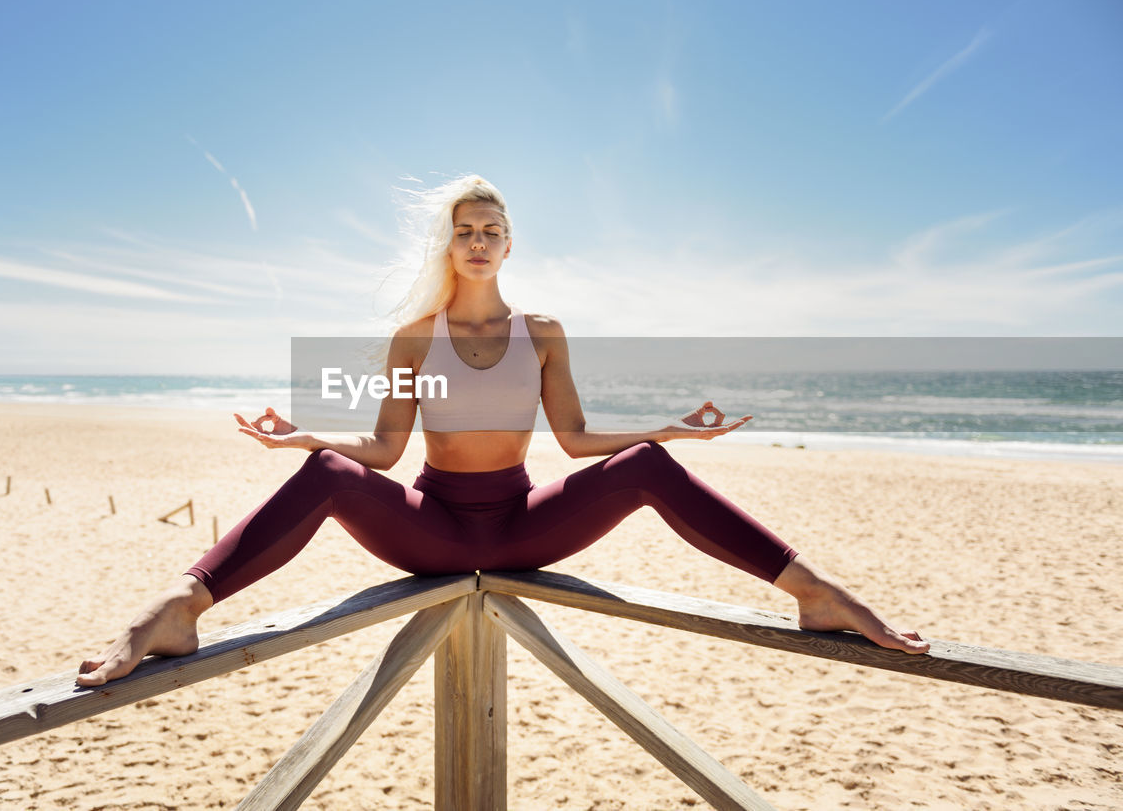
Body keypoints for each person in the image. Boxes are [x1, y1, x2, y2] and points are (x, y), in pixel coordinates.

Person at [77, 175, 928, 687]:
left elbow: (577, 440)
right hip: (434, 529)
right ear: (448, 247)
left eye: (491, 231)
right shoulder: (417, 338)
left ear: (509, 243)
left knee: (645, 462)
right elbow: (381, 453)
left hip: (524, 526)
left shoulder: (544, 332)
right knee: (328, 476)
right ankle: (184, 605)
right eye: (464, 232)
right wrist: (305, 440)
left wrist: (670, 430)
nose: (478, 242)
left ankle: (812, 592)